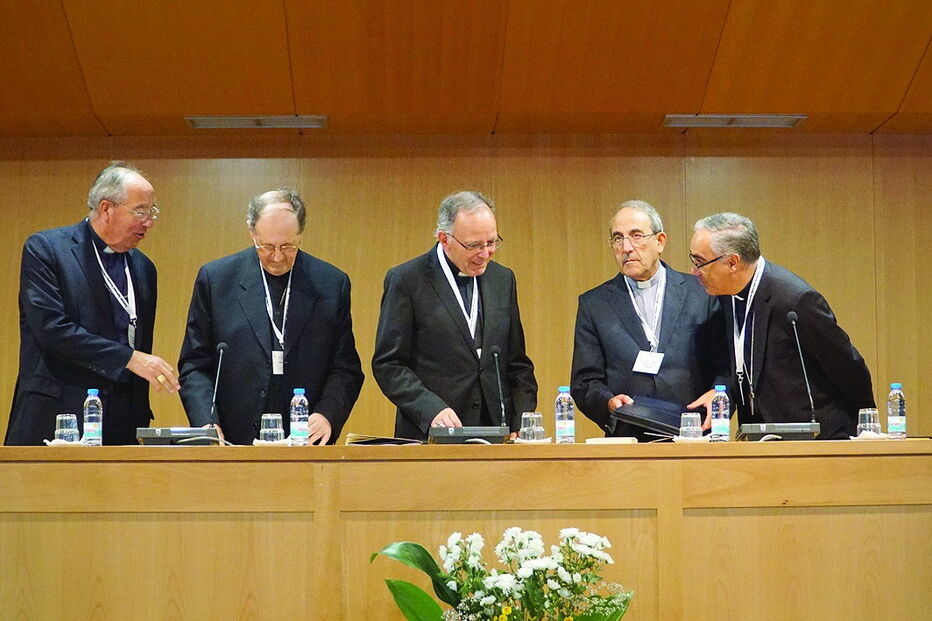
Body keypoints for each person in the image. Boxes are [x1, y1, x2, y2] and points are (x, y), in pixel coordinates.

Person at [6, 161, 178, 446]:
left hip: (123, 424)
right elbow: (51, 330)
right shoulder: (47, 249)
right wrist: (128, 358)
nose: (149, 221)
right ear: (106, 209)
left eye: (152, 212)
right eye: (141, 211)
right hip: (57, 416)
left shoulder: (145, 268)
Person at [178, 188, 363, 445]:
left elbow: (345, 369)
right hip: (231, 440)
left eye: (288, 246)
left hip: (305, 440)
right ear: (252, 233)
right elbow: (195, 365)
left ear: (301, 235)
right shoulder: (217, 280)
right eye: (266, 246)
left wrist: (326, 416)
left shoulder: (331, 284)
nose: (277, 257)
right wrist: (206, 423)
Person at [689, 212, 875, 439]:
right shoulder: (726, 294)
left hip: (818, 436)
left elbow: (848, 367)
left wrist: (866, 429)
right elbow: (742, 362)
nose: (694, 271)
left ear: (732, 262)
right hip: (762, 436)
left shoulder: (795, 300)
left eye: (699, 262)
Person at [372, 190, 537, 440]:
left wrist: (521, 419)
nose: (485, 254)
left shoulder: (503, 279)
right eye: (473, 245)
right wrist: (431, 409)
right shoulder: (407, 280)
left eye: (491, 242)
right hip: (431, 432)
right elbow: (389, 364)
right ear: (444, 238)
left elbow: (517, 363)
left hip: (497, 432)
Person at [571, 200, 728, 440]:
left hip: (694, 435)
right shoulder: (595, 304)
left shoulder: (701, 293)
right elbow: (585, 381)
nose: (626, 247)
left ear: (660, 241)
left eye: (636, 236)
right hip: (628, 438)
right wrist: (608, 402)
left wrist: (719, 395)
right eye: (617, 238)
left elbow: (726, 366)